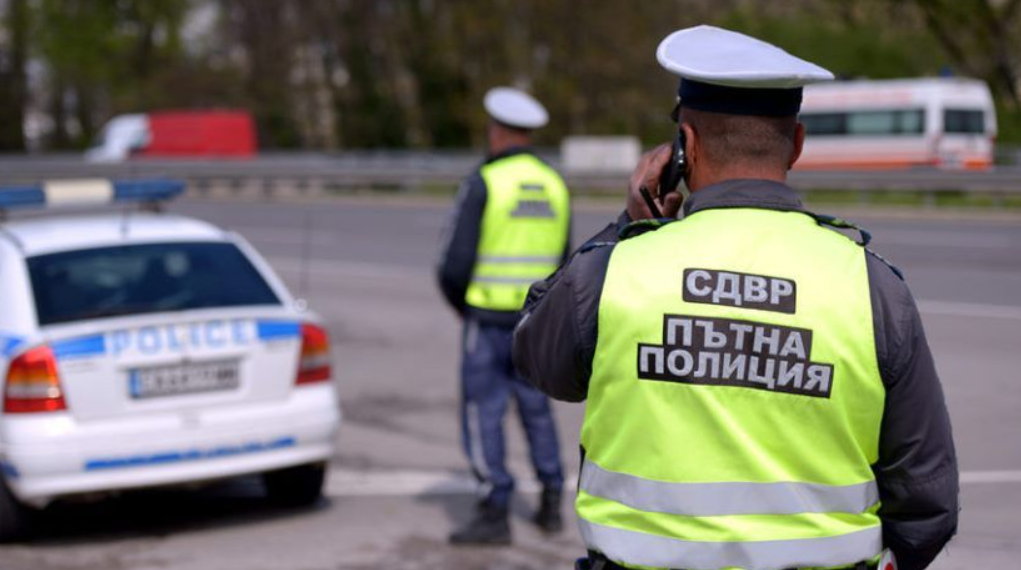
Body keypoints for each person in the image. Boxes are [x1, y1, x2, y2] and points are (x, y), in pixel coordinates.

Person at [513, 26, 958, 570]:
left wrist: (626, 224)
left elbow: (536, 356)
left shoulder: (615, 272)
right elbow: (928, 502)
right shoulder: (873, 288)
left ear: (685, 147)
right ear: (797, 144)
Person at [437, 86, 571, 545]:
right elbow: (566, 262)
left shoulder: (485, 181)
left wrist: (464, 306)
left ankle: (495, 509)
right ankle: (551, 500)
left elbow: (453, 264)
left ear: (496, 131)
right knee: (537, 410)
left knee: (484, 413)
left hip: (487, 321)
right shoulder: (554, 183)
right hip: (534, 323)